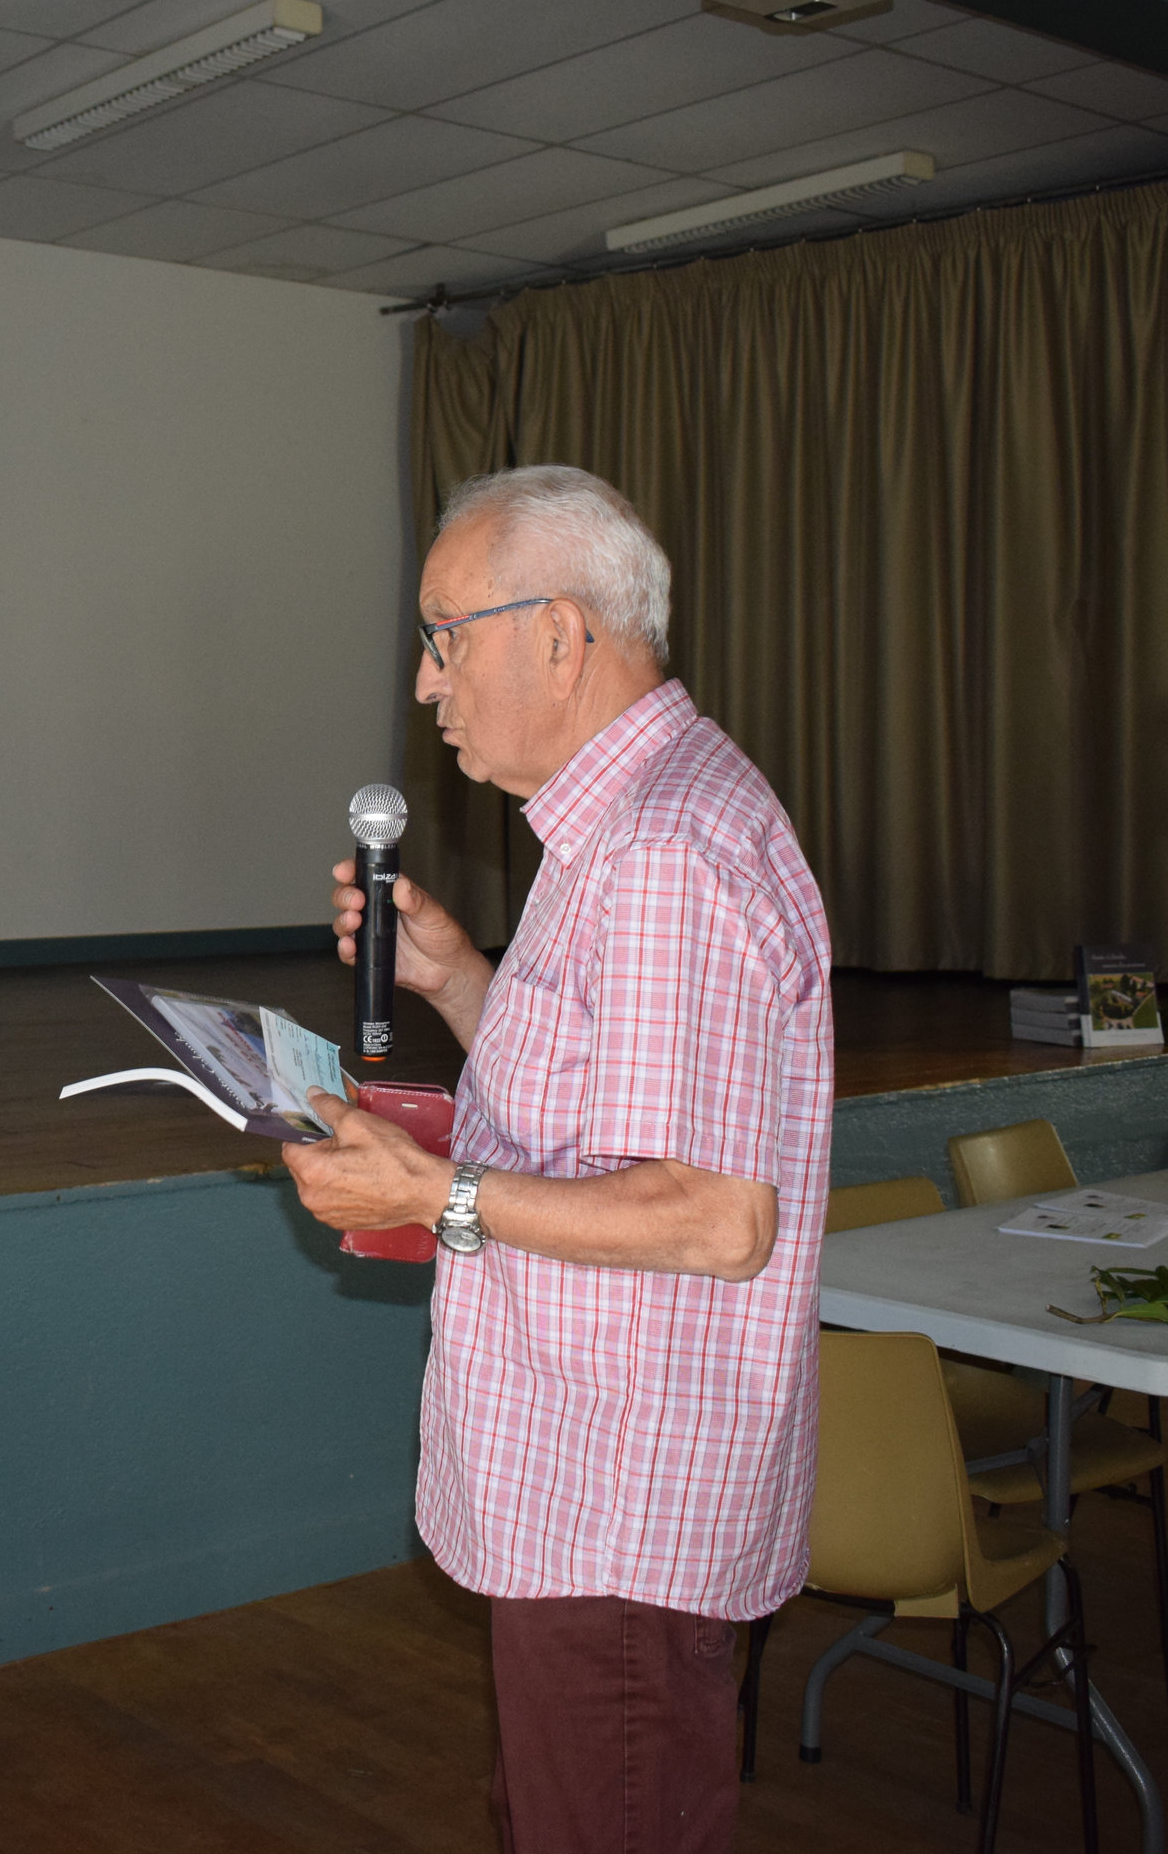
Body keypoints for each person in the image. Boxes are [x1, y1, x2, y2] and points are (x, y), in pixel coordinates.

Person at [283, 465, 833, 1854]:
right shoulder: (636, 823)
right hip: (599, 1485)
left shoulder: (658, 854)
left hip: (619, 1503)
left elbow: (714, 1217)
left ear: (560, 633)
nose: (423, 682)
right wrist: (462, 976)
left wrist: (431, 1195)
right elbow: (610, 1111)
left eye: (443, 633)